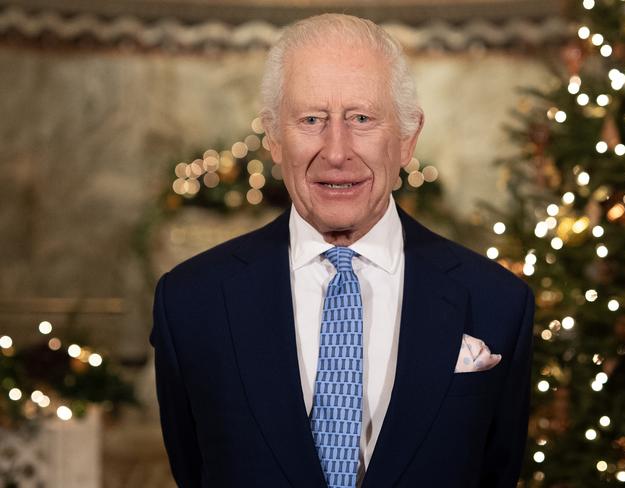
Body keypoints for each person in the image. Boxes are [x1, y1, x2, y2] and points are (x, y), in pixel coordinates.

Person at [149, 13, 535, 488]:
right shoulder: (190, 303)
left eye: (362, 118)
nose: (336, 151)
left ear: (408, 138)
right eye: (311, 119)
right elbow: (193, 468)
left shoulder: (498, 303)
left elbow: (497, 471)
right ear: (273, 136)